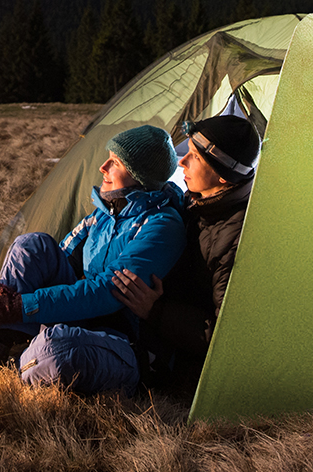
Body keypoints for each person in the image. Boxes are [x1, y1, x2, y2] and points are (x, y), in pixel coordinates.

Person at [0, 125, 186, 395]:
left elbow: (109, 292)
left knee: (58, 349)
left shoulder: (161, 226)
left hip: (127, 342)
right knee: (31, 245)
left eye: (115, 162)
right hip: (86, 320)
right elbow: (60, 260)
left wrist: (22, 306)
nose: (103, 167)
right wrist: (4, 303)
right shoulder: (104, 215)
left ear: (140, 177)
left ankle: (9, 372)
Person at [110, 114, 261, 392]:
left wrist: (156, 311)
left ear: (223, 174)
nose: (181, 162)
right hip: (155, 330)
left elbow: (224, 336)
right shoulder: (198, 204)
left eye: (194, 157)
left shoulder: (236, 238)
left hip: (178, 362)